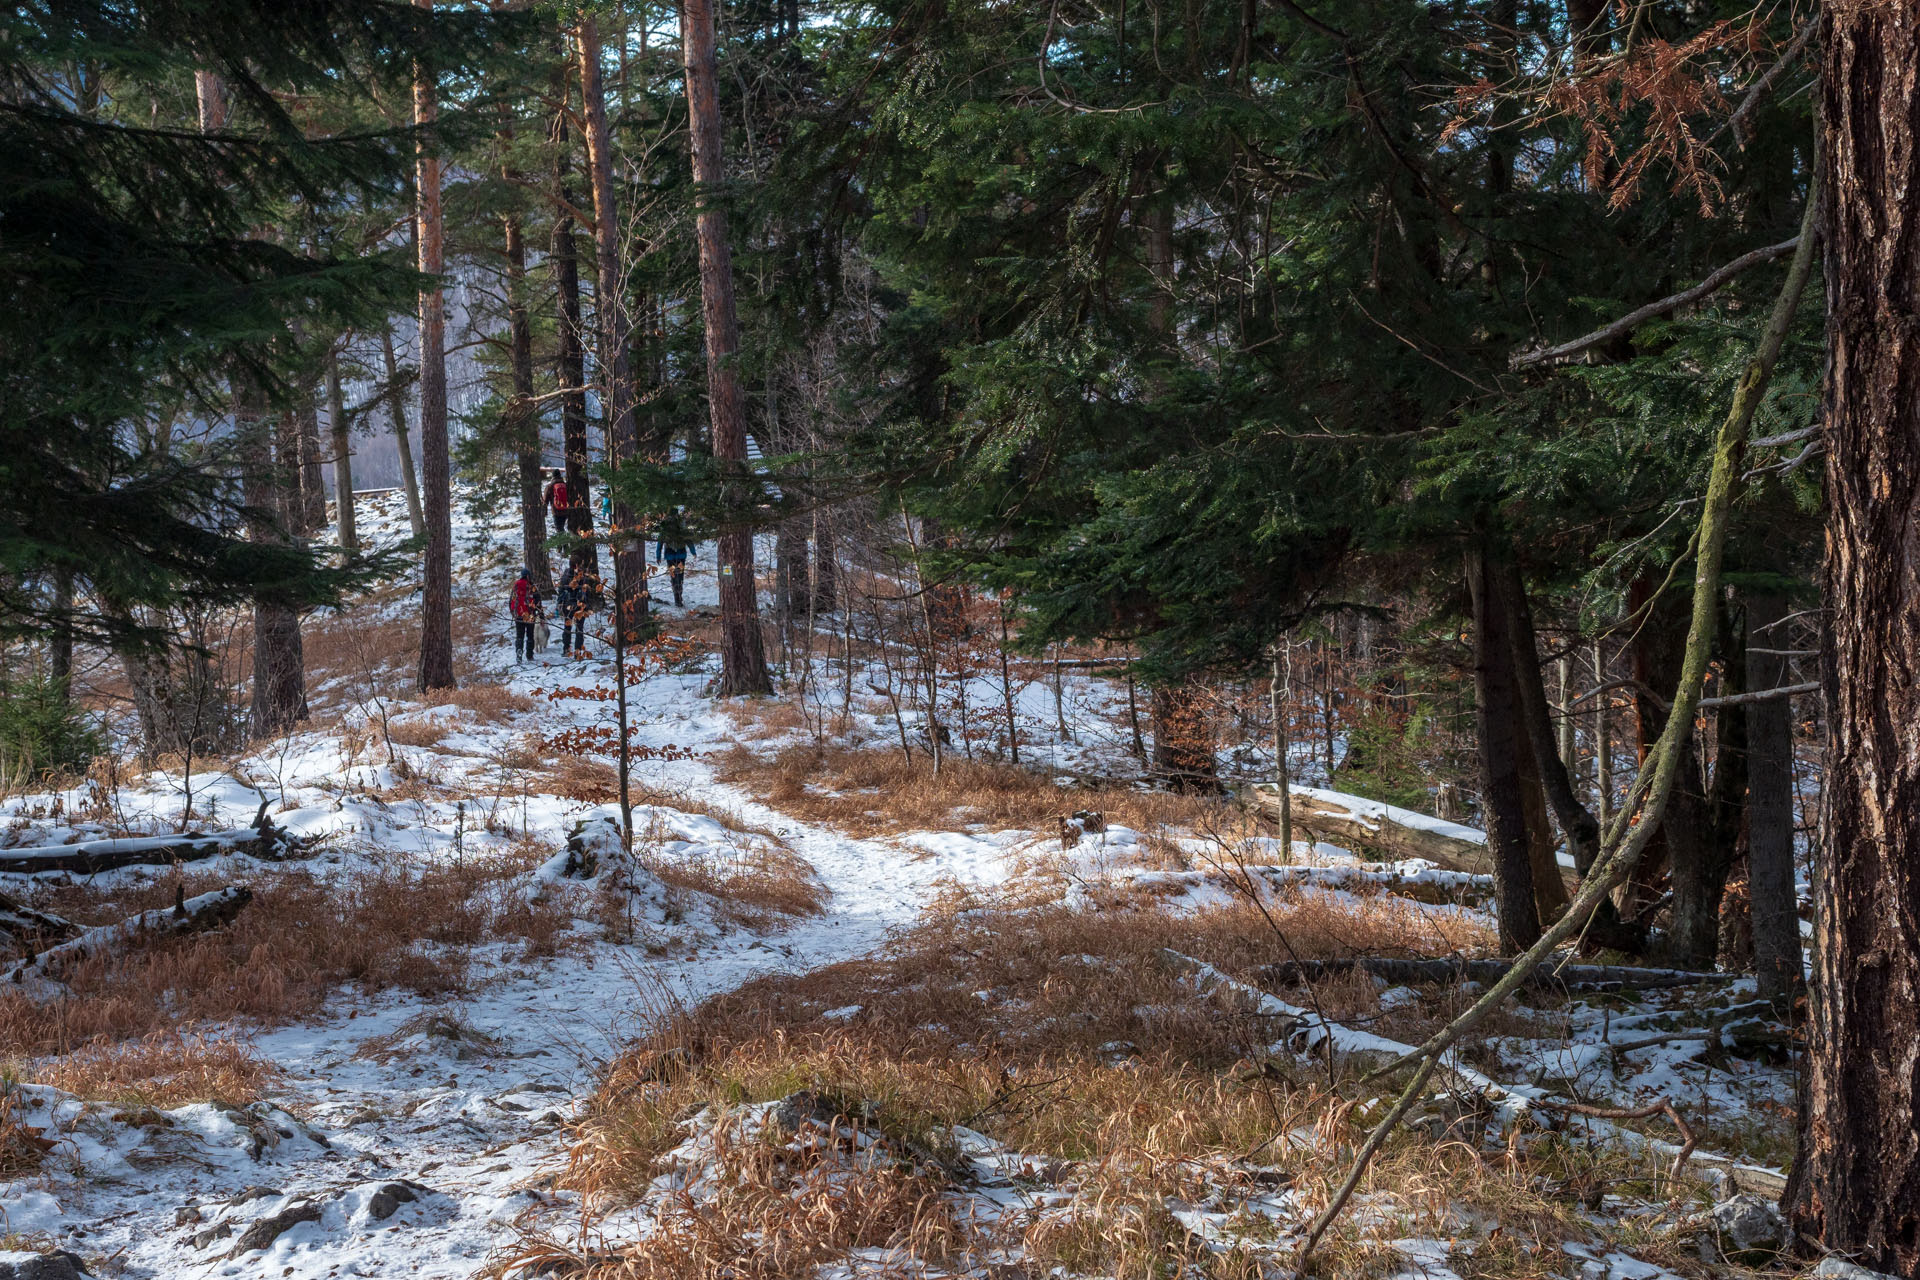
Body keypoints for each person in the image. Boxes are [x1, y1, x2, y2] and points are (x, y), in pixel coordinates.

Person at [655, 510, 697, 608]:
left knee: (674, 577)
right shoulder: (681, 526)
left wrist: (658, 555)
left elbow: (660, 543)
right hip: (681, 555)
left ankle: (677, 598)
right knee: (680, 577)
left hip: (670, 556)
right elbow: (688, 540)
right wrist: (693, 551)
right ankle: (679, 597)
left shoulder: (665, 527)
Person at [555, 557, 588, 657]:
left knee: (567, 627)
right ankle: (577, 652)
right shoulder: (582, 577)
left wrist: (559, 603)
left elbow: (560, 590)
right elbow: (587, 592)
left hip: (567, 605)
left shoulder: (565, 575)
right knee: (579, 629)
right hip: (579, 606)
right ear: (578, 565)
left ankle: (566, 649)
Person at [508, 568, 543, 662]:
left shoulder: (516, 585)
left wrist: (513, 613)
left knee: (519, 636)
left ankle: (519, 652)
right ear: (528, 576)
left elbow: (511, 600)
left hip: (518, 615)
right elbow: (538, 602)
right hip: (530, 615)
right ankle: (529, 655)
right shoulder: (532, 586)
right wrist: (540, 615)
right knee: (530, 636)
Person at [542, 469, 570, 536]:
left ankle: (563, 546)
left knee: (559, 529)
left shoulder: (549, 486)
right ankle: (563, 545)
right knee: (561, 528)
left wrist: (544, 512)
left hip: (556, 511)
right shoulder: (566, 485)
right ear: (560, 476)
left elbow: (545, 501)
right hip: (566, 509)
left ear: (553, 476)